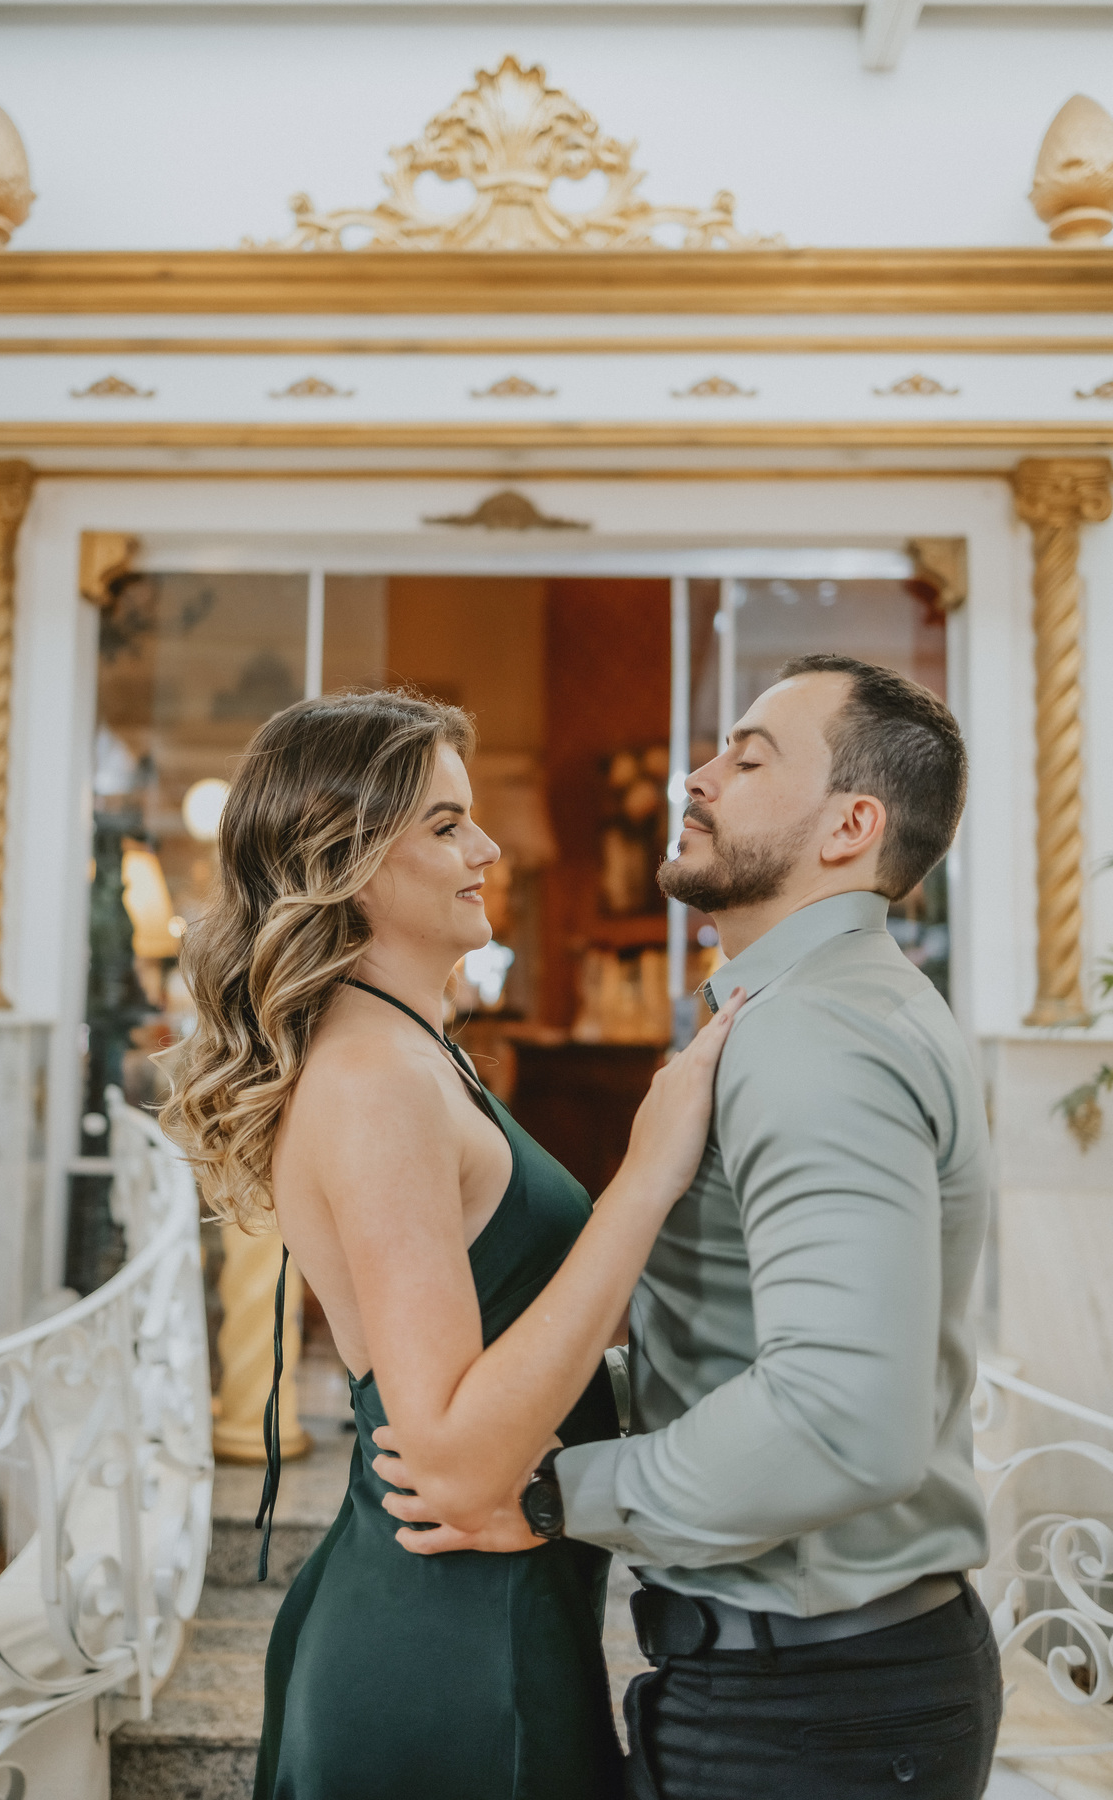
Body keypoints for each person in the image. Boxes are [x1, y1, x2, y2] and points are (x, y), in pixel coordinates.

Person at [381, 655, 1001, 1800]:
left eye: (748, 760)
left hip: (814, 1713)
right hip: (806, 1689)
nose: (696, 777)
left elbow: (842, 1422)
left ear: (851, 826)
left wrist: (554, 1492)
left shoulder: (819, 1037)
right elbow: (737, 1337)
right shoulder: (814, 1010)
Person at [159, 688, 745, 1800]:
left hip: (487, 1622)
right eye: (445, 824)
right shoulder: (376, 1077)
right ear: (346, 859)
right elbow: (453, 1462)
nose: (486, 849)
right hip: (453, 1653)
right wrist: (647, 1174)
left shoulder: (412, 1051)